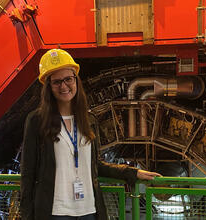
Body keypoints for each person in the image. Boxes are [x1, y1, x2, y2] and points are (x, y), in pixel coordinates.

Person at [20, 49, 161, 220]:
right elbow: (27, 174)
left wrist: (131, 173)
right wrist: (26, 215)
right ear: (48, 87)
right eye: (56, 82)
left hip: (88, 210)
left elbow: (96, 165)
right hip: (55, 212)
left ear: (76, 80)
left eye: (68, 79)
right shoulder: (36, 121)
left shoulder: (89, 119)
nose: (64, 86)